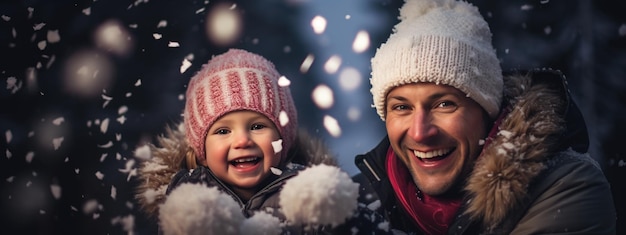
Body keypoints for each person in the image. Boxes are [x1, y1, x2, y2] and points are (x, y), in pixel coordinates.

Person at [351, 0, 617, 234]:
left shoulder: (566, 186)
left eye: (445, 104)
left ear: (487, 111)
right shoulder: (360, 197)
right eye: (402, 108)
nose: (420, 132)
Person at [134, 49, 340, 234]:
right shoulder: (184, 211)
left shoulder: (315, 202)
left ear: (282, 141)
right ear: (201, 153)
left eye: (257, 127)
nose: (242, 140)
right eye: (223, 131)